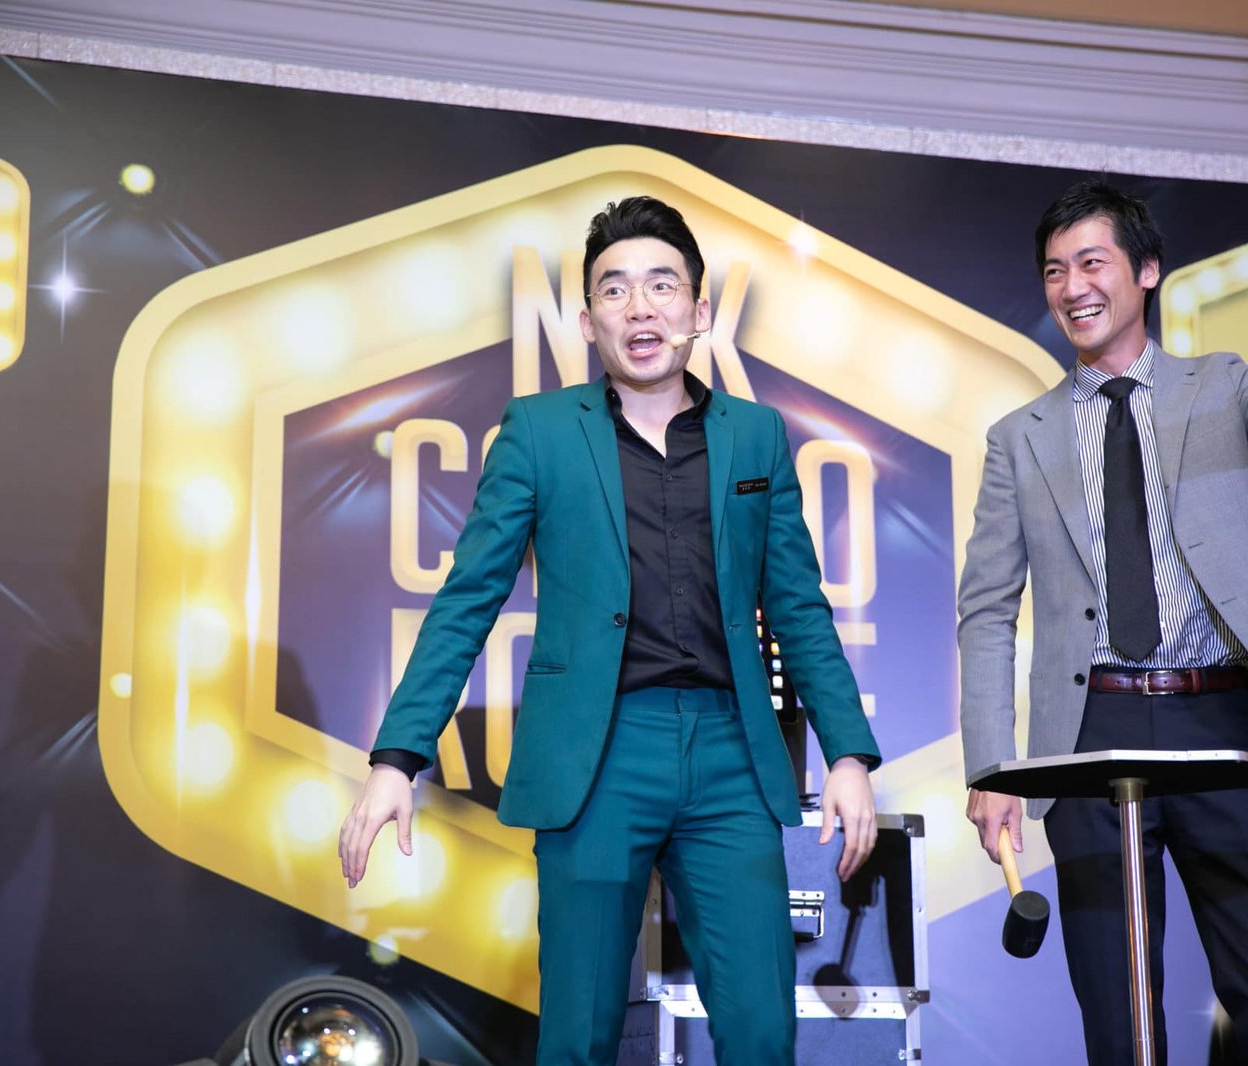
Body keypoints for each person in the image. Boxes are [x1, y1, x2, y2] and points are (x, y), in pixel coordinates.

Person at [337, 195, 880, 1065]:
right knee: (579, 1033)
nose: (640, 307)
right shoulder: (540, 431)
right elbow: (468, 597)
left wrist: (847, 754)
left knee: (762, 1032)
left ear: (699, 311)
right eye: (615, 290)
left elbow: (798, 604)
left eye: (662, 285)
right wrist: (396, 758)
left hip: (731, 755)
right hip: (596, 756)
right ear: (588, 322)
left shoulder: (756, 437)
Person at [957, 179, 1248, 1065]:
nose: (1072, 287)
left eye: (1092, 262)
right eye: (1054, 271)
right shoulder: (1019, 437)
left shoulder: (1218, 386)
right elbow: (986, 609)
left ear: (1146, 270)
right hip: (1088, 736)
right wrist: (992, 767)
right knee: (1122, 1026)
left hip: (1219, 722)